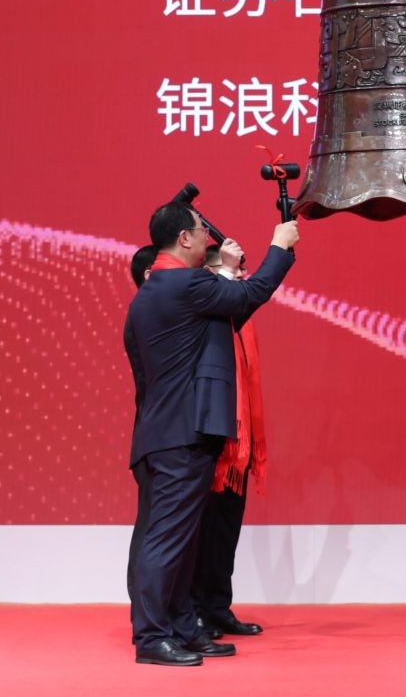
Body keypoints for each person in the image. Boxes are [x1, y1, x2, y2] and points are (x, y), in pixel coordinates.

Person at [127, 201, 298, 666]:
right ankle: (152, 637)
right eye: (202, 230)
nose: (210, 237)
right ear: (183, 239)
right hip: (179, 436)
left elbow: (225, 322)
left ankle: (183, 628)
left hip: (169, 432)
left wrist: (225, 272)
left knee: (182, 542)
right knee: (168, 541)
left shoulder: (161, 289)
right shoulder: (184, 283)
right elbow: (247, 296)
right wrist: (280, 249)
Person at [191, 247, 266, 637]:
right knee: (200, 534)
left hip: (238, 447)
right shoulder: (205, 315)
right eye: (230, 271)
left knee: (224, 534)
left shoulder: (237, 319)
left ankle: (217, 606)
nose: (240, 277)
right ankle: (194, 610)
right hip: (208, 443)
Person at [124, 244, 158, 631]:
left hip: (163, 437)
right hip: (157, 439)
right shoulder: (149, 314)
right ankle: (146, 621)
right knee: (152, 531)